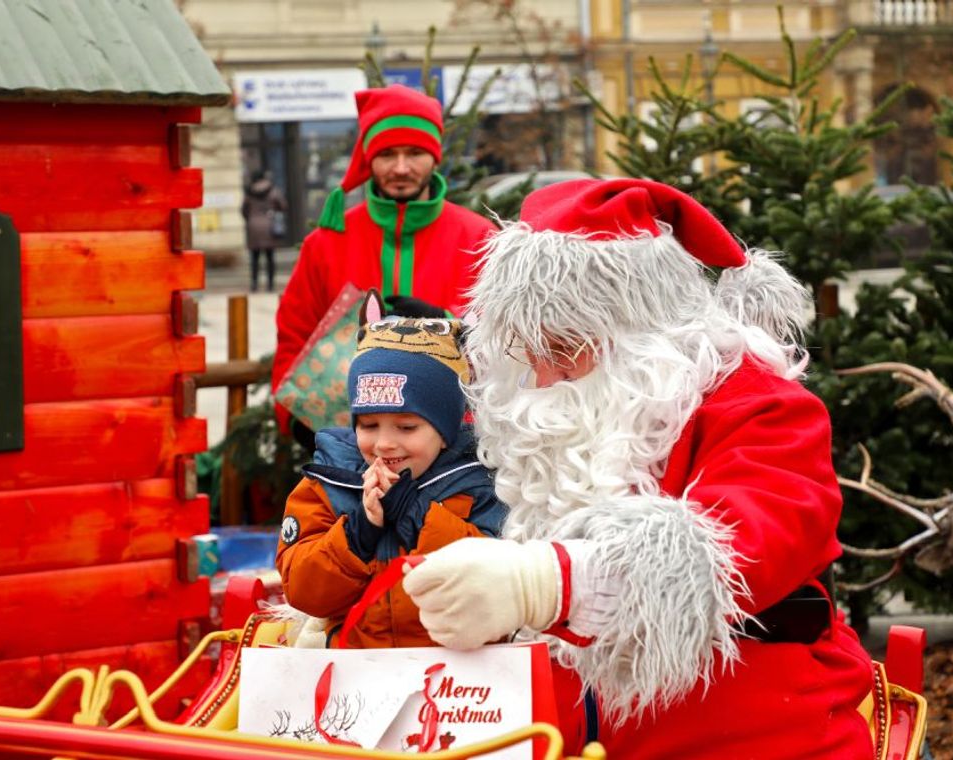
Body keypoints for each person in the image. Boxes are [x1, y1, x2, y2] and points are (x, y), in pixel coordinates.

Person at [400, 179, 876, 758]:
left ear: (642, 331)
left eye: (567, 345)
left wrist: (544, 584)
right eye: (527, 349)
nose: (543, 376)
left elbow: (744, 545)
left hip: (750, 731)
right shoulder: (529, 417)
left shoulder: (761, 406)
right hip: (554, 732)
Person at [276, 291, 506, 648]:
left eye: (407, 427)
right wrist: (356, 537)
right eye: (368, 425)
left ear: (444, 429)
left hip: (458, 685)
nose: (384, 443)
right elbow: (303, 591)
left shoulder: (482, 481)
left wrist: (420, 518)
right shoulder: (329, 482)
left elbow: (497, 582)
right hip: (357, 678)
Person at [271, 84, 495, 438]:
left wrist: (447, 322)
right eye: (388, 154)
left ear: (435, 157)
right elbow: (293, 336)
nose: (401, 167)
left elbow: (503, 339)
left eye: (415, 153)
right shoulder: (327, 243)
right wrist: (294, 420)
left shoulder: (479, 238)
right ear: (368, 158)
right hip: (347, 436)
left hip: (457, 438)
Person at [241, 170, 288, 292]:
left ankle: (254, 284)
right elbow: (283, 206)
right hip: (269, 226)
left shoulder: (249, 192)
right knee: (270, 257)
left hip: (253, 227)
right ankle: (270, 285)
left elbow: (243, 210)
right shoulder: (273, 190)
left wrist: (250, 219)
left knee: (254, 258)